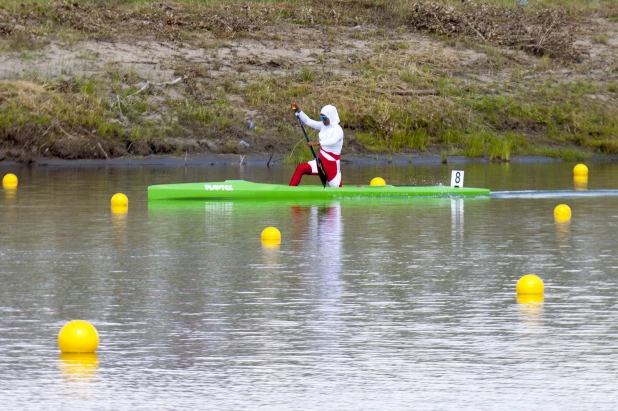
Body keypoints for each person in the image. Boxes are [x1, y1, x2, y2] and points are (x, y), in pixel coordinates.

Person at [289, 103, 343, 187]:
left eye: (325, 118)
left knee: (338, 191)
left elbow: (333, 141)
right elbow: (308, 121)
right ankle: (290, 190)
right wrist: (299, 111)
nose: (323, 120)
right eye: (321, 118)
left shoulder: (338, 130)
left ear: (331, 117)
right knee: (300, 168)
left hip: (332, 167)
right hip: (320, 163)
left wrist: (317, 143)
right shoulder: (323, 126)